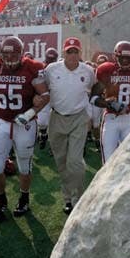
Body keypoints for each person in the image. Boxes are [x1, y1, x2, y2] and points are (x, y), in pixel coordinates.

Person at [0, 36, 50, 223]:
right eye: (6, 53)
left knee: (24, 166)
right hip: (2, 122)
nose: (10, 57)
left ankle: (24, 198)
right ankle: (1, 200)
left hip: (24, 124)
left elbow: (44, 95)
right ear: (0, 54)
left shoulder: (31, 68)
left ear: (21, 53)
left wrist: (29, 114)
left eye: (14, 53)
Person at [44, 37, 96, 215]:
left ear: (80, 53)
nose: (73, 55)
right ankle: (67, 197)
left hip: (78, 118)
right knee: (62, 162)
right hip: (57, 118)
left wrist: (89, 114)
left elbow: (93, 89)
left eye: (76, 51)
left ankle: (78, 198)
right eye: (69, 51)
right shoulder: (51, 70)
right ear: (63, 53)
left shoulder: (88, 71)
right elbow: (42, 89)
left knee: (75, 162)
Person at [90, 41, 130, 164]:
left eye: (128, 58)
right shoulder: (106, 70)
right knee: (108, 159)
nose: (125, 61)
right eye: (122, 58)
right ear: (115, 57)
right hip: (111, 119)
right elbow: (93, 98)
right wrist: (109, 103)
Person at [37, 47, 59, 149]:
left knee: (56, 120)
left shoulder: (60, 68)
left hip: (56, 96)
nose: (51, 62)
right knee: (42, 121)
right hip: (45, 95)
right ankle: (43, 134)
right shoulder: (41, 67)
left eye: (52, 60)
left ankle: (52, 143)